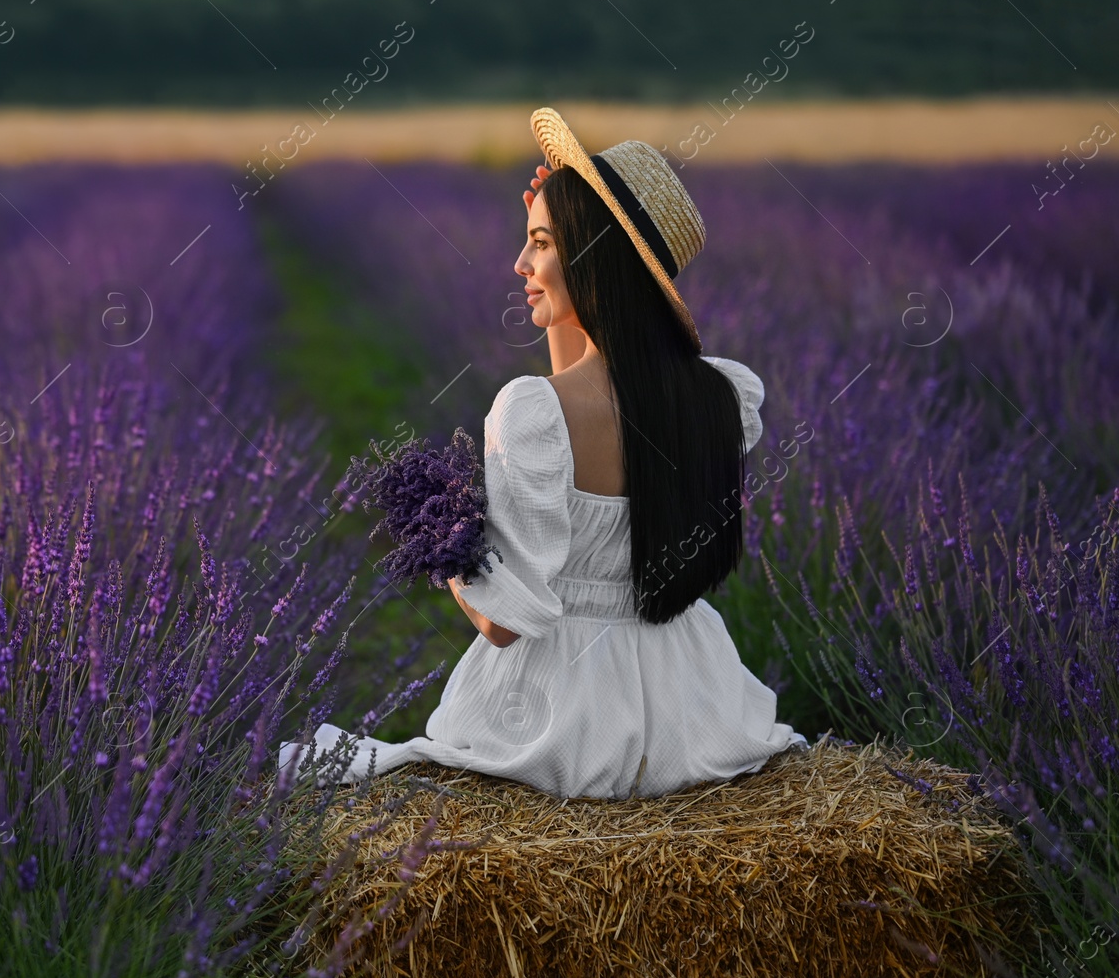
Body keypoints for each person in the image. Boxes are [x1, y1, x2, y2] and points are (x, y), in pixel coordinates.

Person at [277, 108, 807, 800]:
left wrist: (446, 547)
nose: (519, 264)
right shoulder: (719, 397)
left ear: (591, 259)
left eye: (540, 243)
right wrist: (567, 250)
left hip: (562, 719)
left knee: (305, 766)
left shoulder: (533, 414)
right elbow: (599, 378)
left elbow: (505, 621)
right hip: (698, 706)